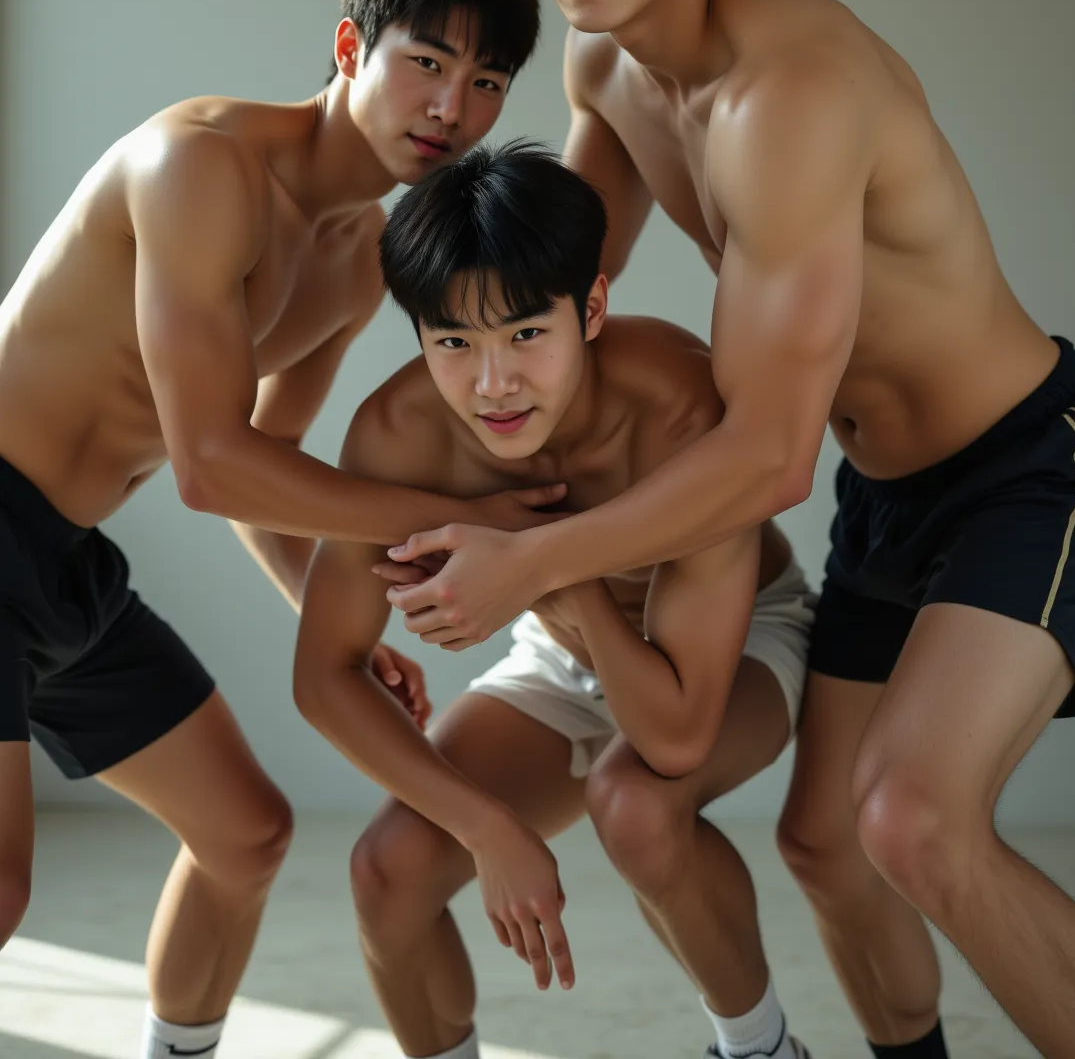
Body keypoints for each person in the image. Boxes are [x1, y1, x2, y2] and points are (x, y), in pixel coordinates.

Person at [381, 0, 1075, 1059]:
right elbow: (546, 307)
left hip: (1036, 460)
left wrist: (537, 562)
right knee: (825, 847)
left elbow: (768, 461)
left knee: (912, 819)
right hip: (891, 493)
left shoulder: (791, 92)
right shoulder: (605, 62)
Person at [0, 0, 557, 1059]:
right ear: (352, 45)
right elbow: (209, 467)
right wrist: (460, 523)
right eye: (428, 62)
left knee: (246, 835)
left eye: (487, 80)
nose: (453, 105)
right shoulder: (199, 166)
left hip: (62, 560)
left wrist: (327, 608)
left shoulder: (361, 257)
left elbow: (276, 458)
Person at [295, 141, 816, 1059]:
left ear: (593, 308)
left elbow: (674, 733)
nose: (492, 384)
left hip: (733, 644)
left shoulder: (680, 408)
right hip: (564, 648)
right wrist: (488, 828)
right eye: (454, 343)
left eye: (526, 334)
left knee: (637, 803)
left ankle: (763, 1049)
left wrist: (546, 564)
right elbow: (324, 677)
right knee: (387, 872)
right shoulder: (397, 431)